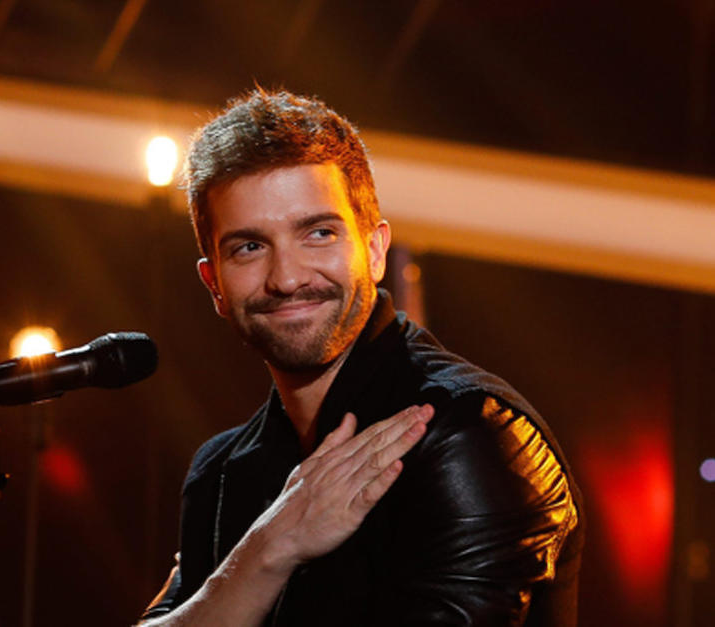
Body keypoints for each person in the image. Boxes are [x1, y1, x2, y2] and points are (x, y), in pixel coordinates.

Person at [139, 89, 584, 626]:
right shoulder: (220, 472)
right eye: (249, 248)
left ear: (374, 251)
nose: (287, 277)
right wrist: (266, 551)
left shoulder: (467, 434)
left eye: (318, 233)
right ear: (214, 284)